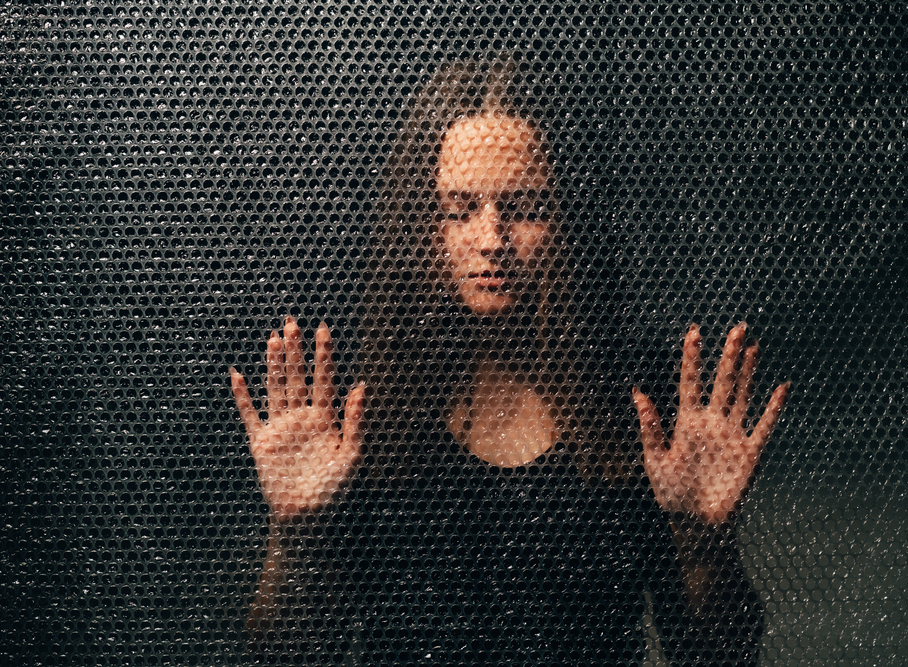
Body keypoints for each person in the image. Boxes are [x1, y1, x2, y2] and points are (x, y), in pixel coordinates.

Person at [229, 58, 789, 666]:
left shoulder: (642, 412)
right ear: (422, 226)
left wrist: (704, 543)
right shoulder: (359, 419)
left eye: (523, 207)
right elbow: (288, 656)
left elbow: (718, 657)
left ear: (572, 221)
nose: (491, 238)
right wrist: (296, 537)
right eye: (460, 209)